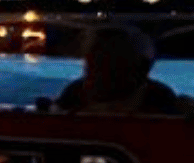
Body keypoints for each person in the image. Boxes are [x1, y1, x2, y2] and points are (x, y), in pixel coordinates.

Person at [54, 24, 184, 115]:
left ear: (141, 67)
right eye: (92, 60)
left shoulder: (160, 100)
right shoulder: (73, 95)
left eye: (109, 60)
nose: (95, 70)